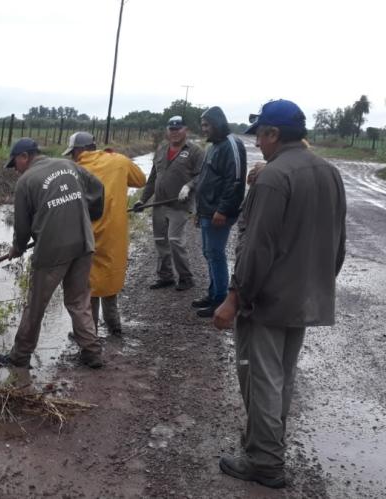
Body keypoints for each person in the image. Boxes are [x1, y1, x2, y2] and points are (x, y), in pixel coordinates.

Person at [213, 99, 347, 488]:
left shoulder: (274, 177)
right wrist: (319, 283)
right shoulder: (329, 172)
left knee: (261, 377)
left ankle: (265, 461)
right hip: (305, 297)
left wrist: (235, 298)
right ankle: (265, 441)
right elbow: (338, 242)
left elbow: (257, 247)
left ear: (274, 134)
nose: (258, 144)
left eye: (261, 136)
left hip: (269, 300)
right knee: (281, 376)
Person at [0, 138, 106, 369]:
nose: (15, 169)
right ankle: (92, 352)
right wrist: (89, 217)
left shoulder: (26, 181)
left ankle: (20, 356)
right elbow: (98, 188)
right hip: (84, 242)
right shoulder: (69, 166)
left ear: (25, 156)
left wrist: (17, 247)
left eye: (15, 163)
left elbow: (22, 225)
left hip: (52, 250)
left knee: (36, 304)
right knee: (79, 300)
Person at [64, 131, 146, 335]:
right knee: (110, 279)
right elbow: (140, 180)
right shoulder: (118, 160)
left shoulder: (74, 169)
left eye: (72, 152)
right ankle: (114, 326)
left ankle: (88, 333)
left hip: (85, 234)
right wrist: (117, 160)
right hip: (113, 235)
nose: (73, 157)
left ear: (79, 150)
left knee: (88, 283)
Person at [133, 116, 204, 292]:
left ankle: (186, 278)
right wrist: (143, 199)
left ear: (185, 130)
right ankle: (165, 277)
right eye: (171, 129)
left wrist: (188, 186)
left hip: (180, 205)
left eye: (178, 129)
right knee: (160, 241)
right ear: (167, 131)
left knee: (174, 240)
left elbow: (202, 175)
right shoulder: (161, 150)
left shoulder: (195, 151)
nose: (174, 132)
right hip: (159, 204)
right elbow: (152, 178)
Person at [194, 106, 247, 318]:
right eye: (202, 125)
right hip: (207, 211)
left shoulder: (232, 145)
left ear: (216, 123)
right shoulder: (213, 147)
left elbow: (235, 181)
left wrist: (223, 210)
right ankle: (213, 293)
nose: (204, 129)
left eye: (206, 125)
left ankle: (220, 300)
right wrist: (199, 211)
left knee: (216, 254)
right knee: (209, 253)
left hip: (219, 212)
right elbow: (206, 179)